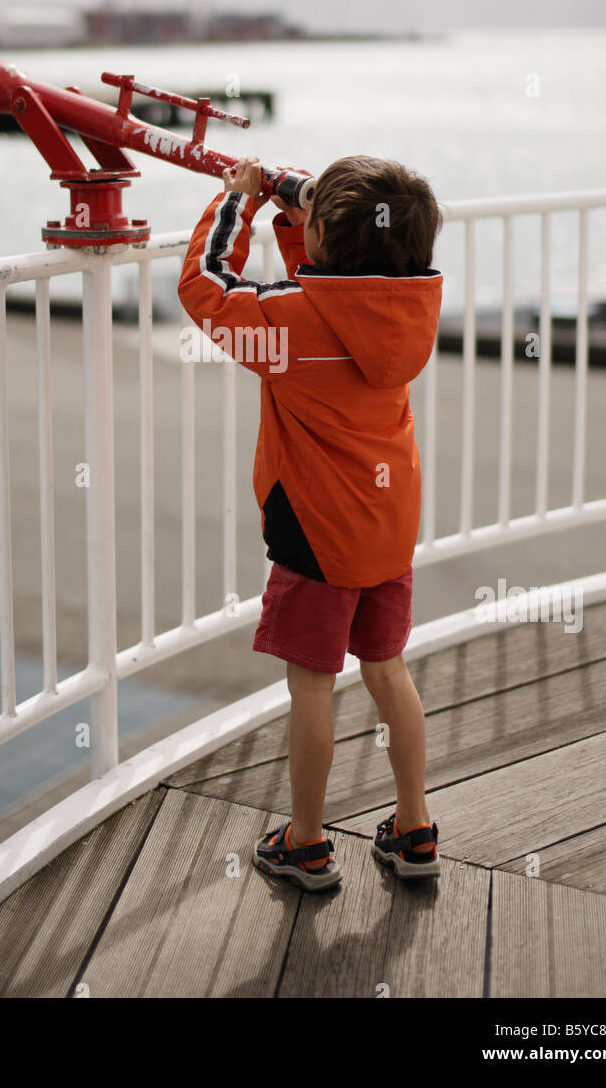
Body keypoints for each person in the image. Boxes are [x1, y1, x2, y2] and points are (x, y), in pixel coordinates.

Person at [177, 154, 443, 891]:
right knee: (387, 672)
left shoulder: (287, 328)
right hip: (389, 529)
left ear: (325, 237)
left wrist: (236, 205)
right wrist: (301, 223)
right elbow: (335, 300)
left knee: (315, 689)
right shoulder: (408, 314)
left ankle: (306, 841)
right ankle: (415, 827)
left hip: (319, 536)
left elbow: (204, 291)